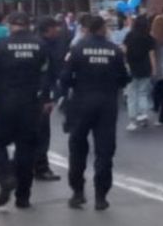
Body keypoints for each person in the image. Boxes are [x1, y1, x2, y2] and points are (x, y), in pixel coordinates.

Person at [0, 13, 50, 209]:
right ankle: (23, 197)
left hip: (3, 103)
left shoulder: (0, 46)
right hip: (31, 104)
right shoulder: (40, 45)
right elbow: (46, 74)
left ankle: (5, 177)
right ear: (28, 25)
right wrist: (46, 99)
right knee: (26, 149)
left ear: (11, 26)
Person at [60, 14, 130, 211]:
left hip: (82, 102)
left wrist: (70, 92)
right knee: (104, 150)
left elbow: (65, 77)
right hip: (106, 104)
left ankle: (78, 192)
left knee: (77, 148)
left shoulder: (77, 49)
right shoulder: (114, 50)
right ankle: (101, 196)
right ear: (102, 29)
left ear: (88, 29)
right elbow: (124, 78)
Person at [34, 17, 68, 182]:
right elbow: (46, 74)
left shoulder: (37, 43)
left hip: (26, 95)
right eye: (55, 28)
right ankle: (41, 167)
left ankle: (30, 165)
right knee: (41, 132)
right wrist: (47, 97)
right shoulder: (44, 47)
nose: (58, 31)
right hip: (40, 95)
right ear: (48, 29)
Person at [122, 15, 156, 131]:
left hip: (132, 68)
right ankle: (144, 116)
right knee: (143, 93)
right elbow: (152, 55)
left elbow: (124, 51)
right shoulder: (149, 37)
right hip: (145, 68)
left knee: (132, 95)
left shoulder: (129, 36)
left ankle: (133, 120)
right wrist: (154, 68)